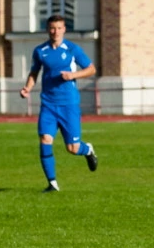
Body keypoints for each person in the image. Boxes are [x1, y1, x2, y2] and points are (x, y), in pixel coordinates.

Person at [20, 14, 98, 192]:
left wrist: (73, 75)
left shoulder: (72, 49)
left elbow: (91, 69)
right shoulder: (40, 51)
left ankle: (88, 150)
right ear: (48, 29)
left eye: (59, 28)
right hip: (48, 104)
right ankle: (52, 183)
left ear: (64, 29)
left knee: (73, 148)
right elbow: (34, 72)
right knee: (45, 139)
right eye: (52, 28)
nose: (55, 31)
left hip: (68, 104)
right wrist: (27, 88)